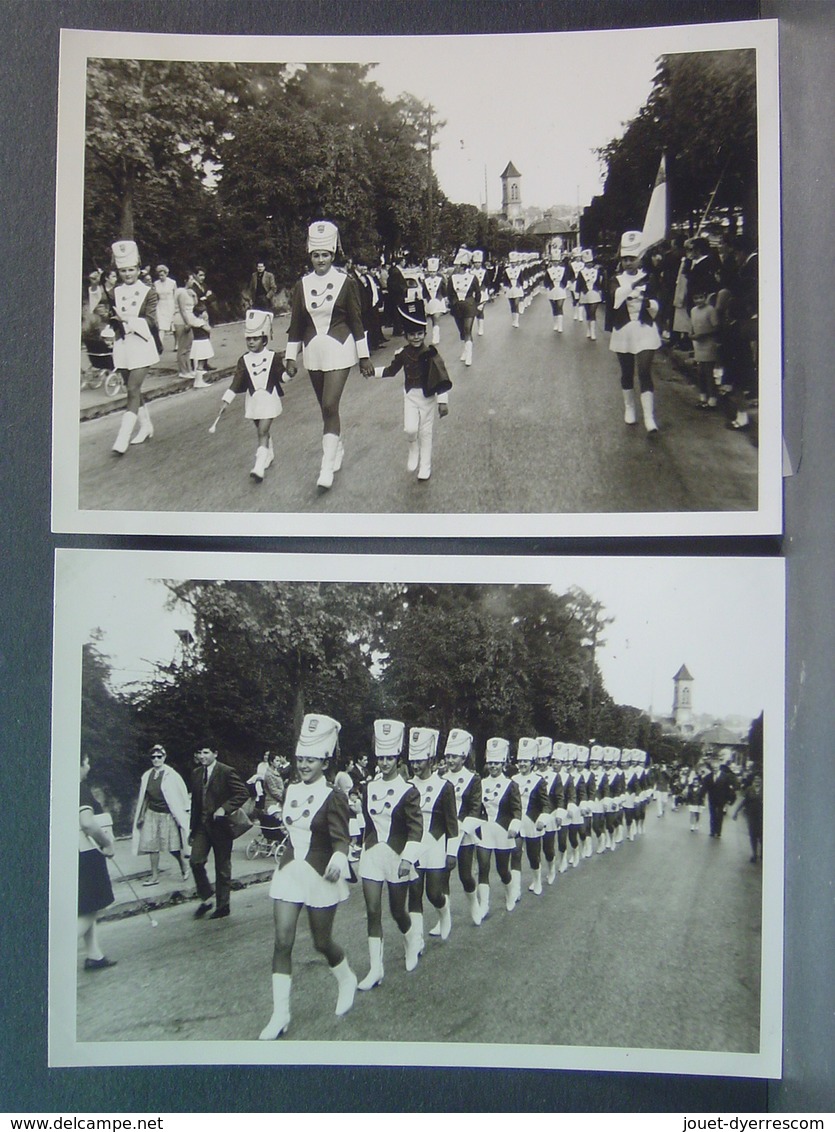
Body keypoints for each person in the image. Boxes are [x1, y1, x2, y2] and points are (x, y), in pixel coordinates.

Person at [258, 714, 357, 1040]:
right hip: (289, 871)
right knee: (282, 941)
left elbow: (341, 836)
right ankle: (280, 1014)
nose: (303, 765)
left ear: (325, 761)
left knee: (321, 942)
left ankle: (345, 978)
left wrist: (340, 857)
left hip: (319, 875)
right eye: (300, 758)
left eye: (310, 760)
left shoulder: (334, 795)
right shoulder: (289, 789)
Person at [283, 220, 374, 489]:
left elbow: (357, 320)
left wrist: (364, 355)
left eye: (325, 255)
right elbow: (296, 323)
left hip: (341, 348)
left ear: (333, 255)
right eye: (315, 255)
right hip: (313, 351)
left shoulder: (345, 282)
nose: (320, 260)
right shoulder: (302, 284)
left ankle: (326, 467)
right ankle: (337, 446)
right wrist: (291, 356)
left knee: (329, 405)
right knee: (325, 408)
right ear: (310, 255)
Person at [356, 719, 424, 988]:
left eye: (389, 757)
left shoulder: (408, 791)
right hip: (373, 854)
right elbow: (366, 821)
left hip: (397, 855)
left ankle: (412, 941)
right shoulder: (369, 787)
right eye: (380, 757)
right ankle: (376, 969)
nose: (384, 762)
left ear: (398, 759)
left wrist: (408, 857)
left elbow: (416, 828)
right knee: (373, 911)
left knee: (397, 911)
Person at [375, 296, 452, 482]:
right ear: (406, 336)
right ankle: (412, 448)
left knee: (426, 433)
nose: (416, 338)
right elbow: (391, 371)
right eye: (412, 334)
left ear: (424, 334)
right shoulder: (402, 354)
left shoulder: (431, 353)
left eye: (419, 334)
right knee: (410, 429)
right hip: (410, 396)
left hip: (427, 398)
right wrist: (372, 372)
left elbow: (441, 377)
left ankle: (425, 467)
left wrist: (442, 402)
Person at [218, 309, 287, 482]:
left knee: (262, 431)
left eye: (255, 338)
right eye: (248, 339)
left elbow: (282, 377)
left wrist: (290, 373)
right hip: (254, 401)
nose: (251, 342)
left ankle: (258, 466)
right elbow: (236, 381)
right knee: (260, 429)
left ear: (264, 340)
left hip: (269, 399)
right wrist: (226, 400)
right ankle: (268, 453)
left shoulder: (273, 357)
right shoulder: (244, 360)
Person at [406, 726, 459, 949]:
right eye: (413, 761)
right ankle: (416, 941)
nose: (416, 766)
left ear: (431, 760)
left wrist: (451, 852)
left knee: (434, 894)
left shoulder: (444, 787)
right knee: (414, 893)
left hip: (436, 845)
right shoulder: (407, 786)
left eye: (420, 761)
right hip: (413, 846)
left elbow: (452, 822)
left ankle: (444, 912)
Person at [108, 240, 161, 454]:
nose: (127, 274)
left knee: (131, 390)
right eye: (123, 271)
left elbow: (150, 321)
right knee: (134, 391)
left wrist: (127, 319)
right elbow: (112, 319)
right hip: (122, 347)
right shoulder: (114, 292)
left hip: (141, 345)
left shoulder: (148, 292)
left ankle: (122, 439)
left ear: (138, 269)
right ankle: (147, 426)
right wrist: (109, 327)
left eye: (131, 270)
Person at [608, 230, 663, 437]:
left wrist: (649, 303)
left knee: (644, 371)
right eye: (625, 259)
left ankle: (649, 416)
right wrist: (633, 286)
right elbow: (615, 298)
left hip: (645, 329)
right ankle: (630, 408)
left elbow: (658, 304)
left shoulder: (650, 277)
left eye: (632, 258)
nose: (628, 263)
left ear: (641, 258)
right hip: (624, 329)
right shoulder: (615, 278)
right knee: (627, 372)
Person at [189, 746, 249, 920]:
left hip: (221, 826)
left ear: (215, 754)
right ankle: (207, 896)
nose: (202, 756)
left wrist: (224, 808)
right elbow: (195, 804)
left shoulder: (226, 771)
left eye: (206, 752)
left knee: (222, 866)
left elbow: (242, 793)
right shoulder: (196, 773)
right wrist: (192, 830)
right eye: (199, 753)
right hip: (202, 826)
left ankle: (223, 906)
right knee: (195, 861)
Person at [437, 728, 484, 929]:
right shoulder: (440, 778)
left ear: (463, 757)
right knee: (442, 875)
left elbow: (475, 808)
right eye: (448, 756)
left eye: (454, 756)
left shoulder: (473, 779)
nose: (449, 760)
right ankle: (443, 919)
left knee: (465, 875)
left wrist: (461, 830)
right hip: (444, 833)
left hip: (464, 833)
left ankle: (474, 904)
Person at [130, 743, 191, 885]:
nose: (156, 759)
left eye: (159, 756)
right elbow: (145, 797)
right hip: (152, 813)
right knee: (152, 846)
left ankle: (183, 864)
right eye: (153, 757)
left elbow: (181, 794)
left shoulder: (172, 775)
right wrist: (141, 815)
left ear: (164, 757)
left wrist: (184, 811)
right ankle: (154, 876)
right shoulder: (147, 775)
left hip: (168, 815)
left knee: (172, 847)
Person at [475, 738, 522, 915]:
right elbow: (476, 808)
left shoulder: (511, 785)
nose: (493, 766)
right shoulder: (480, 783)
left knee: (502, 870)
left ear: (503, 763)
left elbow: (517, 810)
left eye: (496, 763)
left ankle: (510, 892)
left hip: (503, 831)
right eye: (490, 763)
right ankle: (483, 905)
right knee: (483, 867)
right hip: (485, 831)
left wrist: (514, 825)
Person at [79, 754, 117, 970]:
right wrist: (106, 843)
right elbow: (87, 823)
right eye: (86, 762)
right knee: (89, 909)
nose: (89, 766)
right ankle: (48, 956)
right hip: (86, 853)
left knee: (86, 906)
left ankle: (94, 955)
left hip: (71, 854)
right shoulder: (80, 788)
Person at [511, 737, 551, 900]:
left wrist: (543, 818)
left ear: (532, 762)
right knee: (515, 853)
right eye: (520, 761)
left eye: (526, 761)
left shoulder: (539, 781)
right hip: (517, 821)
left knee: (533, 856)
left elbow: (546, 804)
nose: (522, 764)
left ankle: (537, 880)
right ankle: (515, 890)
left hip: (533, 822)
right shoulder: (513, 780)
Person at [446, 248, 481, 366]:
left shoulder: (472, 277)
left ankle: (469, 355)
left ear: (463, 266)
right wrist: (454, 302)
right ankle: (465, 350)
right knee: (462, 331)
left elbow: (478, 293)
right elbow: (449, 293)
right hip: (457, 307)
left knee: (467, 330)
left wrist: (474, 304)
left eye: (457, 265)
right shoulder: (452, 278)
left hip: (469, 306)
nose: (455, 267)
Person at [171, 273, 206, 381]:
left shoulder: (188, 292)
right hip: (182, 321)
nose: (192, 281)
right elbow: (182, 309)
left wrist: (194, 295)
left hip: (188, 320)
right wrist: (187, 323)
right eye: (191, 279)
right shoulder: (181, 292)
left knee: (188, 347)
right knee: (183, 347)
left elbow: (194, 304)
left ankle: (189, 370)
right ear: (185, 280)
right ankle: (183, 371)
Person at [703, 754, 738, 839]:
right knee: (712, 815)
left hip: (722, 799)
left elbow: (729, 789)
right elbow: (705, 788)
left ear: (719, 768)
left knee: (719, 816)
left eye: (716, 768)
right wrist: (702, 797)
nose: (715, 770)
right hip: (712, 799)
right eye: (713, 768)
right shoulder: (708, 777)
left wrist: (729, 799)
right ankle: (712, 831)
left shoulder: (725, 777)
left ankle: (718, 832)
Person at [189, 267, 215, 381]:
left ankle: (204, 363)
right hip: (197, 315)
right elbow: (195, 302)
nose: (202, 278)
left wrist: (206, 298)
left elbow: (213, 296)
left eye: (203, 275)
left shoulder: (204, 286)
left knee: (206, 339)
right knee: (198, 340)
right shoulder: (192, 288)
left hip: (205, 313)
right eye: (200, 275)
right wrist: (205, 298)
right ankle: (195, 364)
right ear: (195, 275)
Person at [732, 771, 763, 863]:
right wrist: (736, 812)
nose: (757, 781)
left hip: (762, 817)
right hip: (752, 816)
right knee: (753, 836)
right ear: (753, 781)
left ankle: (762, 853)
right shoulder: (749, 789)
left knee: (762, 837)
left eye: (759, 780)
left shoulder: (765, 789)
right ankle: (754, 854)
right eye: (756, 780)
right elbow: (744, 802)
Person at [576, 248, 605, 341]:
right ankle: (588, 329)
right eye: (587, 262)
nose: (589, 264)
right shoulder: (581, 272)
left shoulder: (597, 271)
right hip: (585, 294)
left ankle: (593, 332)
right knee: (588, 312)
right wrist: (577, 295)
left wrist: (601, 292)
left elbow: (601, 283)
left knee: (593, 312)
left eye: (591, 262)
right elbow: (579, 284)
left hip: (595, 293)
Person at [421, 256, 447, 346]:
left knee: (436, 317)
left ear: (437, 272)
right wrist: (425, 301)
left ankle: (436, 337)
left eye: (434, 272)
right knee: (432, 318)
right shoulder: (425, 281)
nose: (432, 274)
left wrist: (444, 299)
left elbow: (444, 291)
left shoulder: (440, 280)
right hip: (429, 302)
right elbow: (424, 292)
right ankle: (435, 332)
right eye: (431, 272)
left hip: (438, 301)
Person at [153, 265, 178, 338]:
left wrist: (176, 306)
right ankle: (161, 345)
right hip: (161, 305)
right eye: (159, 275)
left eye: (162, 275)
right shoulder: (156, 283)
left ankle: (176, 344)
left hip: (170, 304)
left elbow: (175, 295)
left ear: (166, 274)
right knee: (161, 326)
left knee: (173, 326)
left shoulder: (172, 282)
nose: (161, 277)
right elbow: (155, 296)